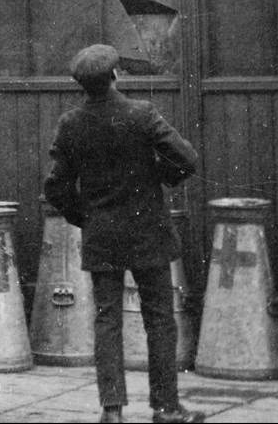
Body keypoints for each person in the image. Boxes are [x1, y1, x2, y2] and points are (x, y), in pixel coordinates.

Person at [44, 44, 204, 424]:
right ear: (116, 75)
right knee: (160, 320)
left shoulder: (71, 124)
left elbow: (56, 188)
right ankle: (165, 408)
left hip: (103, 236)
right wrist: (161, 178)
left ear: (80, 84)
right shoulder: (142, 114)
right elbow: (187, 159)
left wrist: (86, 217)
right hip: (149, 231)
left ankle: (112, 410)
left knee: (107, 320)